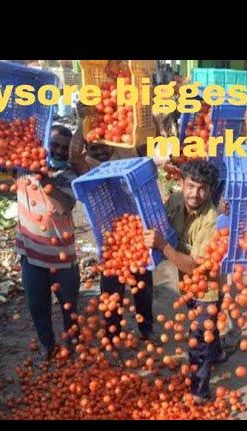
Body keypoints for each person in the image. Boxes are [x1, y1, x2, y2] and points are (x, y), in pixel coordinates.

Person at [68, 110, 156, 342]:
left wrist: (145, 113)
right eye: (93, 148)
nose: (99, 151)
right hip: (111, 240)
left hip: (136, 231)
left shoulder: (126, 153)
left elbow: (148, 144)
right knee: (111, 292)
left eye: (102, 146)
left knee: (143, 288)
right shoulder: (89, 167)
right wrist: (82, 120)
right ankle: (112, 334)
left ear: (110, 142)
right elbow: (73, 156)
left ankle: (147, 328)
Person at [143, 160, 226, 403]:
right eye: (190, 186)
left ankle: (200, 392)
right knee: (205, 327)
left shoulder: (212, 220)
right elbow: (162, 221)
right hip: (186, 283)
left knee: (198, 338)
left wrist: (162, 245)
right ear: (181, 183)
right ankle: (218, 353)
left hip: (207, 287)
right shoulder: (177, 200)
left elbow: (195, 267)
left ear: (210, 190)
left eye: (202, 189)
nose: (195, 194)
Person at [15, 125, 81, 361]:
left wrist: (42, 178)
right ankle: (47, 345)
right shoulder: (23, 167)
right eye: (54, 144)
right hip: (31, 255)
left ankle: (73, 345)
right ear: (45, 143)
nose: (60, 150)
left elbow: (63, 205)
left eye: (64, 147)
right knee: (37, 306)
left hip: (63, 259)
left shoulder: (69, 175)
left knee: (69, 307)